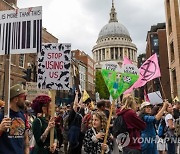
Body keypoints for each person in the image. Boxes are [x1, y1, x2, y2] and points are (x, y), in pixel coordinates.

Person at [0, 84, 29, 154]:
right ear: (16, 99)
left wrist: (27, 151)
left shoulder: (22, 115)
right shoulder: (2, 114)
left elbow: (25, 137)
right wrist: (0, 129)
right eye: (24, 97)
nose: (25, 100)